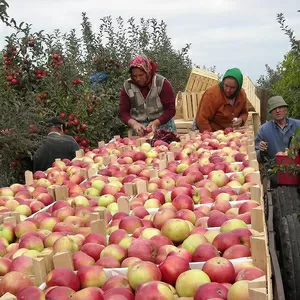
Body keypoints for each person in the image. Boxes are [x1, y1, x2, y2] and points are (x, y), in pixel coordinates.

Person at [119, 55, 176, 136]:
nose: (138, 79)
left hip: (164, 127)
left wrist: (156, 122)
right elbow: (123, 112)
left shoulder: (162, 83)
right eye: (134, 76)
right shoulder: (127, 86)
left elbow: (170, 109)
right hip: (140, 129)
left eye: (141, 75)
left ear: (148, 71)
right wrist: (134, 123)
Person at [195, 68, 248, 132]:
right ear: (223, 82)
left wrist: (241, 119)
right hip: (212, 133)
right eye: (226, 85)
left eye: (232, 88)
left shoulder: (242, 95)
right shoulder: (212, 95)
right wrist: (210, 137)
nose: (228, 90)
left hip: (229, 134)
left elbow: (244, 112)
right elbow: (202, 119)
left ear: (238, 87)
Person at [255, 96, 300, 163]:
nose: (277, 111)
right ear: (271, 112)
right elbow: (255, 155)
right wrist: (261, 151)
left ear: (286, 110)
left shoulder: (298, 125)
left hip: (297, 168)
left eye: (280, 107)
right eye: (274, 109)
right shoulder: (264, 130)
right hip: (274, 169)